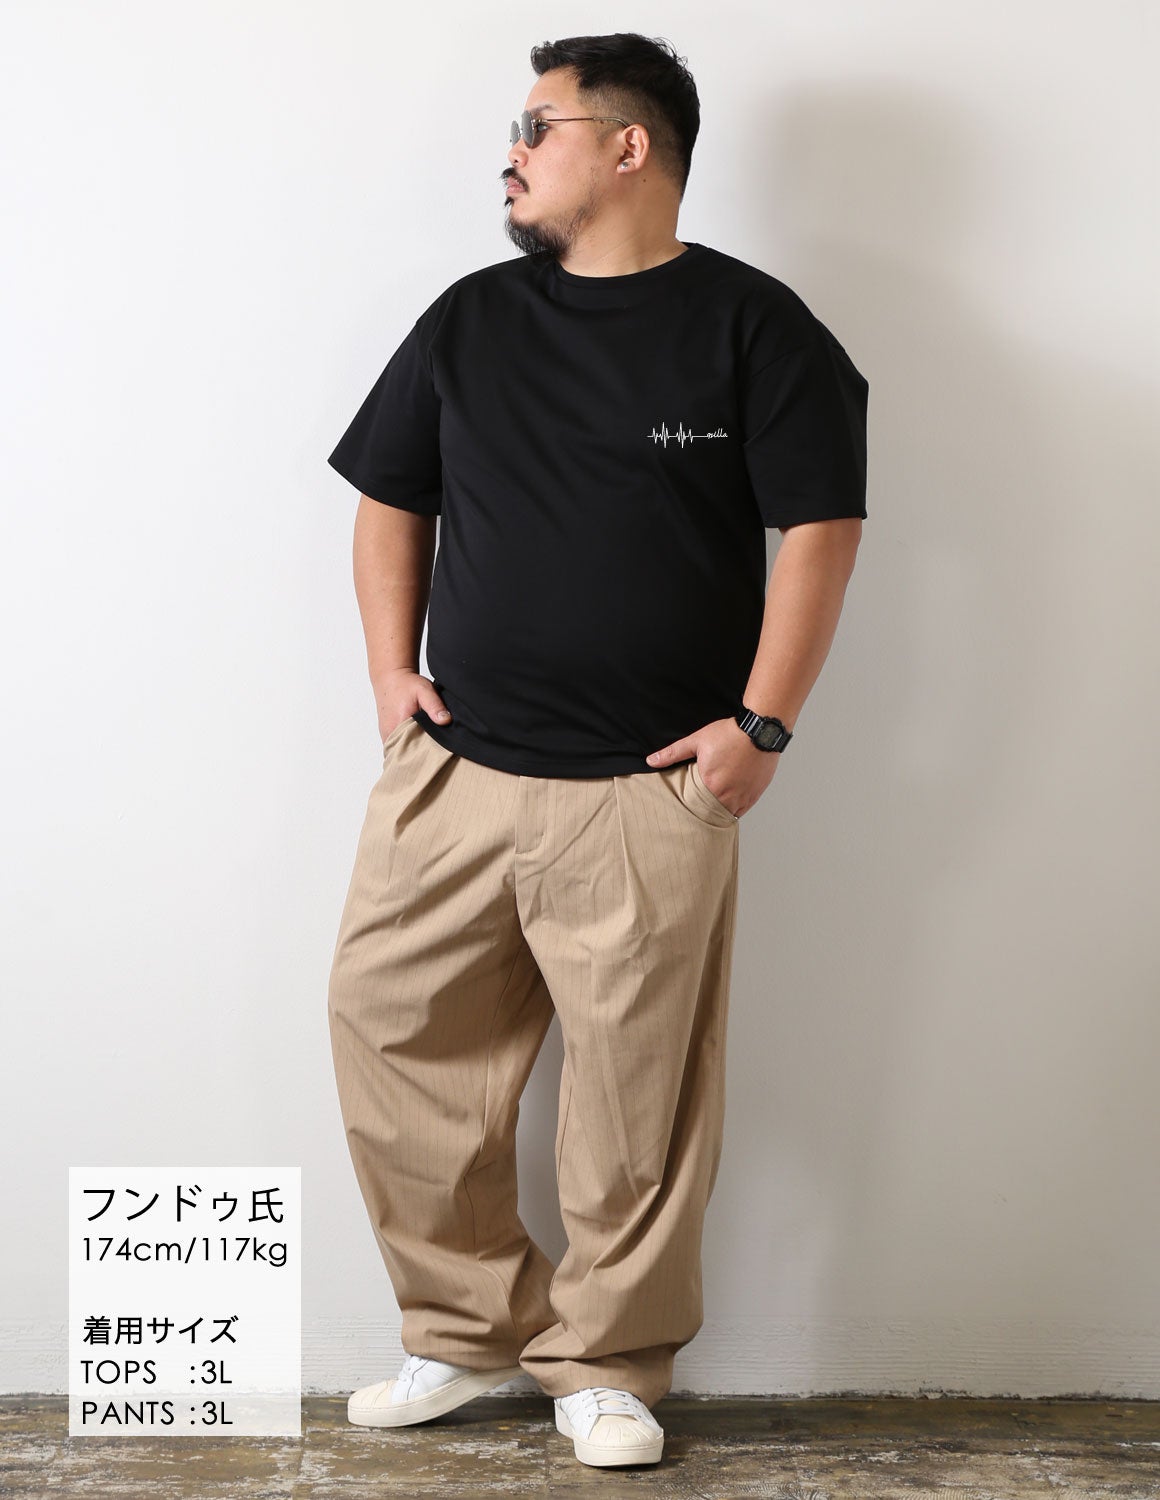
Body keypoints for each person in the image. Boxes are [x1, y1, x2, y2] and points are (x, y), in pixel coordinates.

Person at [325, 32, 868, 1470]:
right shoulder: (471, 319)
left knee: (636, 1102)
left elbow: (820, 530)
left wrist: (762, 726)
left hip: (649, 789)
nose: (509, 153)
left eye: (538, 126)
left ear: (630, 147)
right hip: (455, 773)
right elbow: (391, 498)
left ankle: (608, 1364)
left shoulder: (756, 329)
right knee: (390, 1038)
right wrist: (389, 675)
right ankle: (463, 1331)